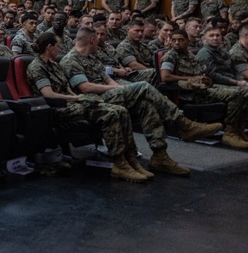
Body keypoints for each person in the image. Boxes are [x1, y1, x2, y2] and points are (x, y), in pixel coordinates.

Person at [61, 27, 221, 176]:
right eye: (97, 39)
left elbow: (108, 79)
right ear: (92, 40)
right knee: (143, 86)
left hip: (109, 93)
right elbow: (85, 87)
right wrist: (117, 90)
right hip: (93, 100)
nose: (101, 42)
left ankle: (160, 155)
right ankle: (182, 123)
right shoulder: (70, 60)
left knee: (146, 104)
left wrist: (120, 89)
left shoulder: (92, 57)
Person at [26, 32, 152, 182]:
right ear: (49, 47)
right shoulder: (36, 67)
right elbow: (49, 95)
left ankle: (130, 158)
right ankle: (119, 164)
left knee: (121, 111)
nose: (60, 49)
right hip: (56, 108)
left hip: (70, 103)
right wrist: (76, 98)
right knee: (110, 113)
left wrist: (77, 98)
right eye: (58, 46)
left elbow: (67, 89)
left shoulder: (54, 65)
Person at [160, 29, 248, 149]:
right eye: (174, 40)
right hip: (192, 93)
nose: (177, 43)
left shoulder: (191, 55)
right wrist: (193, 78)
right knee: (238, 94)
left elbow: (203, 72)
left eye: (180, 40)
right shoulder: (170, 56)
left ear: (187, 41)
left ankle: (239, 131)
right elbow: (165, 76)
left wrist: (204, 78)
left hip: (206, 87)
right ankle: (230, 133)